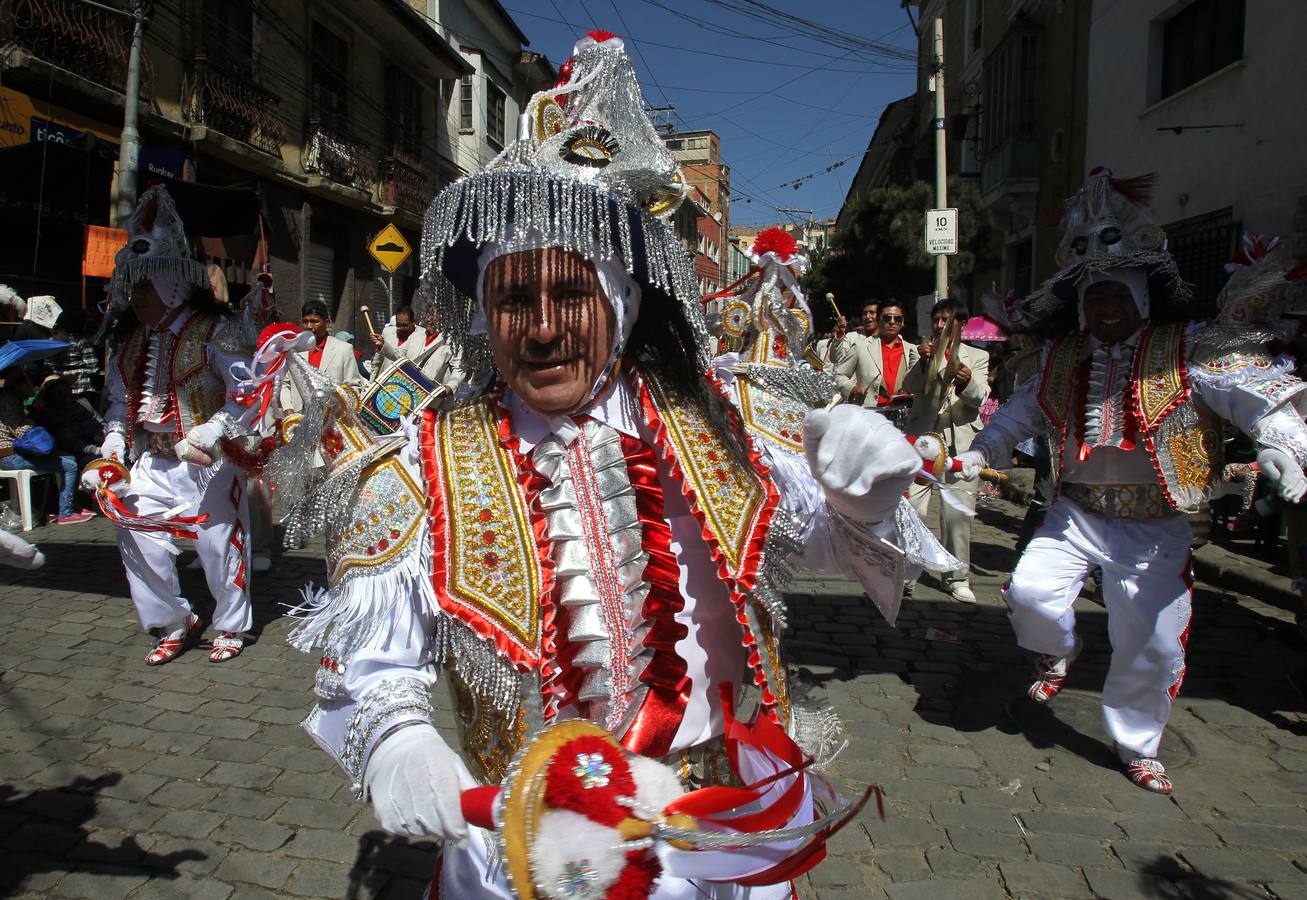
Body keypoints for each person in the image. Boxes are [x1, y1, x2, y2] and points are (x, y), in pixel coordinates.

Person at [274, 30, 930, 898]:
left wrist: (863, 496)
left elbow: (828, 545)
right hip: (531, 848)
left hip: (718, 831)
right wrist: (399, 741)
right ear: (483, 315)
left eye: (571, 294)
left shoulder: (720, 419)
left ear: (620, 304)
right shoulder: (422, 461)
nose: (542, 328)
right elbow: (374, 665)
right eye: (513, 299)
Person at [958, 169, 1307, 795]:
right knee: (1031, 597)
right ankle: (1059, 651)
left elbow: (1258, 399)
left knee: (1148, 645)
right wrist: (978, 450)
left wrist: (1282, 447)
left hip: (1154, 526)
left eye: (1118, 296)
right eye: (1096, 299)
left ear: (1142, 297)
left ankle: (1137, 743)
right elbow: (1016, 416)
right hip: (1075, 512)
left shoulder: (1187, 349)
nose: (1107, 309)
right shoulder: (1061, 357)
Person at [81, 184, 258, 665]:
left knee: (217, 541)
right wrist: (112, 450)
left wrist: (212, 432)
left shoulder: (217, 331)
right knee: (133, 532)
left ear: (172, 284)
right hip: (153, 460)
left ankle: (231, 624)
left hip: (209, 460)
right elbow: (119, 405)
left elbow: (248, 394)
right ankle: (173, 619)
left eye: (146, 287)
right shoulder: (130, 342)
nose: (138, 298)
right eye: (133, 288)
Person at [902, 297, 990, 603]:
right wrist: (925, 361)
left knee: (957, 516)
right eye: (935, 319)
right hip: (923, 439)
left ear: (960, 325)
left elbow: (980, 397)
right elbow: (909, 385)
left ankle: (956, 576)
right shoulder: (922, 351)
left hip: (961, 442)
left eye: (945, 320)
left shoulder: (977, 356)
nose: (938, 325)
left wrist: (966, 383)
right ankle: (908, 568)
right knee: (912, 506)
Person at [0, 363, 93, 525]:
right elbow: (20, 430)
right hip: (10, 455)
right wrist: (33, 418)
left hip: (15, 452)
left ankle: (71, 505)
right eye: (24, 380)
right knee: (69, 465)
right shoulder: (7, 399)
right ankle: (66, 513)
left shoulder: (13, 398)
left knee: (68, 457)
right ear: (16, 383)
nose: (30, 384)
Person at [281, 300, 361, 412]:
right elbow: (285, 384)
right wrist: (288, 410)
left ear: (327, 322)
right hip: (298, 418)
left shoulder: (343, 349)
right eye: (305, 321)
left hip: (333, 421)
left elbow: (353, 387)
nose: (309, 326)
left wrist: (338, 410)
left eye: (315, 321)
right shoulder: (293, 350)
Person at [850, 300, 918, 415]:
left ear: (902, 322)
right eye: (887, 318)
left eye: (897, 319)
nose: (892, 322)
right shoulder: (861, 346)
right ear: (878, 320)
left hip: (904, 415)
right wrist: (851, 389)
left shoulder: (912, 350)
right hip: (871, 414)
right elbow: (839, 374)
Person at [31, 376, 104, 463]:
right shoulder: (53, 416)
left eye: (64, 388)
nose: (64, 393)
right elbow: (72, 442)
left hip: (100, 440)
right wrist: (98, 450)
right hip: (83, 452)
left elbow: (101, 422)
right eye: (58, 392)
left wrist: (108, 438)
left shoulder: (82, 402)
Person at [51, 309, 101, 403]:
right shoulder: (81, 342)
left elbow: (49, 364)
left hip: (61, 388)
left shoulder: (53, 342)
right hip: (81, 389)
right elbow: (93, 367)